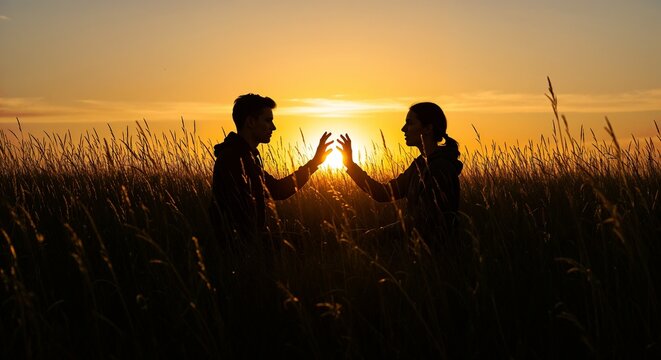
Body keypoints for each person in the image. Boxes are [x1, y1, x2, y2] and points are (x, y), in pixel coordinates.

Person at [209, 93, 333, 247]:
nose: (273, 127)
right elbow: (277, 191)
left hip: (246, 244)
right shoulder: (235, 158)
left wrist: (314, 163)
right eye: (268, 120)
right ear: (251, 122)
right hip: (239, 248)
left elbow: (277, 190)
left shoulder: (245, 156)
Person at [337, 102, 463, 247]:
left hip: (436, 256)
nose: (403, 129)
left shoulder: (440, 168)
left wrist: (375, 234)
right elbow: (383, 193)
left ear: (428, 128)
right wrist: (350, 165)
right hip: (417, 250)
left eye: (409, 123)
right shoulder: (419, 165)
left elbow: (423, 221)